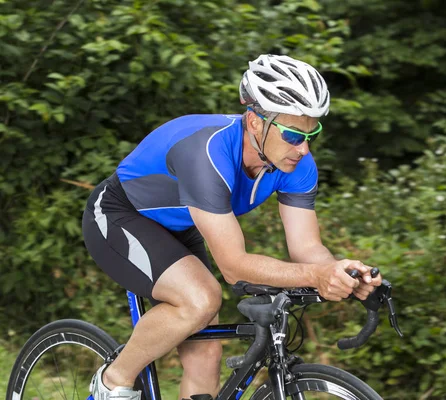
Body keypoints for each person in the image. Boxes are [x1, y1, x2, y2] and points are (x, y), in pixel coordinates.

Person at [82, 54, 383, 400]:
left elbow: (307, 249)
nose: (304, 148)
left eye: (311, 133)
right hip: (120, 214)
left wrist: (339, 271)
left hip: (181, 226)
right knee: (200, 300)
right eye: (292, 134)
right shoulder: (207, 153)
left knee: (207, 355)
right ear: (255, 122)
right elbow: (233, 266)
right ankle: (112, 381)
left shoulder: (297, 163)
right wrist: (315, 277)